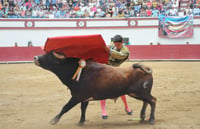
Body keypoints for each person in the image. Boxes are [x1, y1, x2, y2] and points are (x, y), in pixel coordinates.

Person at [100, 34, 132, 119]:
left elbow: (119, 55)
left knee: (121, 89)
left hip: (115, 69)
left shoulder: (126, 51)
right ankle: (103, 112)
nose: (116, 46)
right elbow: (110, 44)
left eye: (118, 44)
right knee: (102, 89)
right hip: (106, 67)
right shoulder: (113, 44)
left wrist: (109, 50)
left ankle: (127, 107)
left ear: (122, 43)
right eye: (115, 44)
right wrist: (109, 46)